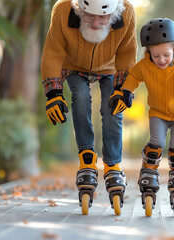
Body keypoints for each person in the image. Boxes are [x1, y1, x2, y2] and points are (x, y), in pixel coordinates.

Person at [41, 0, 137, 215]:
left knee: (112, 106)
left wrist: (125, 89)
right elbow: (53, 50)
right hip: (74, 65)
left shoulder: (127, 12)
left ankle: (113, 165)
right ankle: (87, 158)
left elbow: (127, 53)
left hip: (110, 67)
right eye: (89, 15)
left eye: (102, 18)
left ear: (114, 14)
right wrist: (53, 93)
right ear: (79, 9)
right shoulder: (63, 10)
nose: (95, 23)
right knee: (81, 96)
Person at [111, 18, 174, 217]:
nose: (161, 60)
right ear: (148, 53)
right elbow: (133, 76)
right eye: (156, 56)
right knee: (155, 145)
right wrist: (126, 91)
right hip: (158, 113)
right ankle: (148, 176)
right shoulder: (145, 65)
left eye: (166, 54)